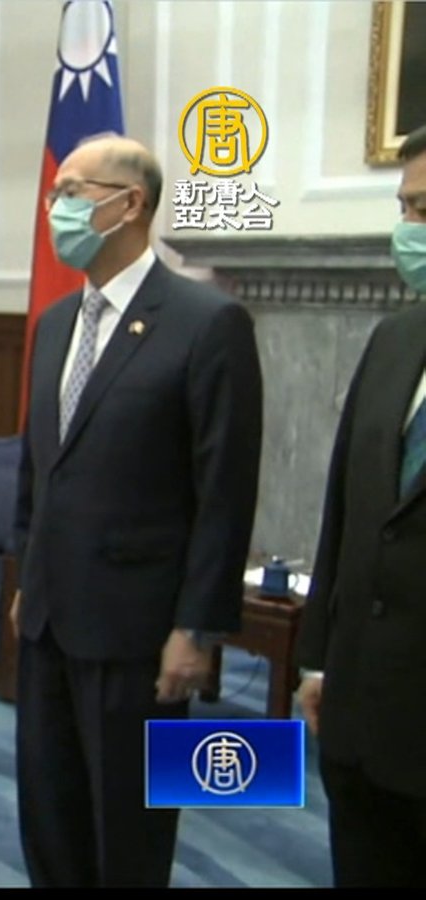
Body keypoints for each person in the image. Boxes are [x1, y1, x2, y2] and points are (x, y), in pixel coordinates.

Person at [10, 133, 264, 887]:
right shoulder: (56, 322)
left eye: (73, 193)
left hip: (139, 632)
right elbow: (38, 466)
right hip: (49, 619)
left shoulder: (208, 322)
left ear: (131, 205)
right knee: (48, 815)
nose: (56, 208)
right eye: (55, 193)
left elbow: (225, 493)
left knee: (129, 829)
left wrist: (197, 627)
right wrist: (25, 573)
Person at [296, 123, 426, 888]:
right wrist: (319, 659)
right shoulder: (393, 340)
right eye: (405, 207)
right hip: (361, 721)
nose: (408, 229)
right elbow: (343, 512)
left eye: (425, 209)